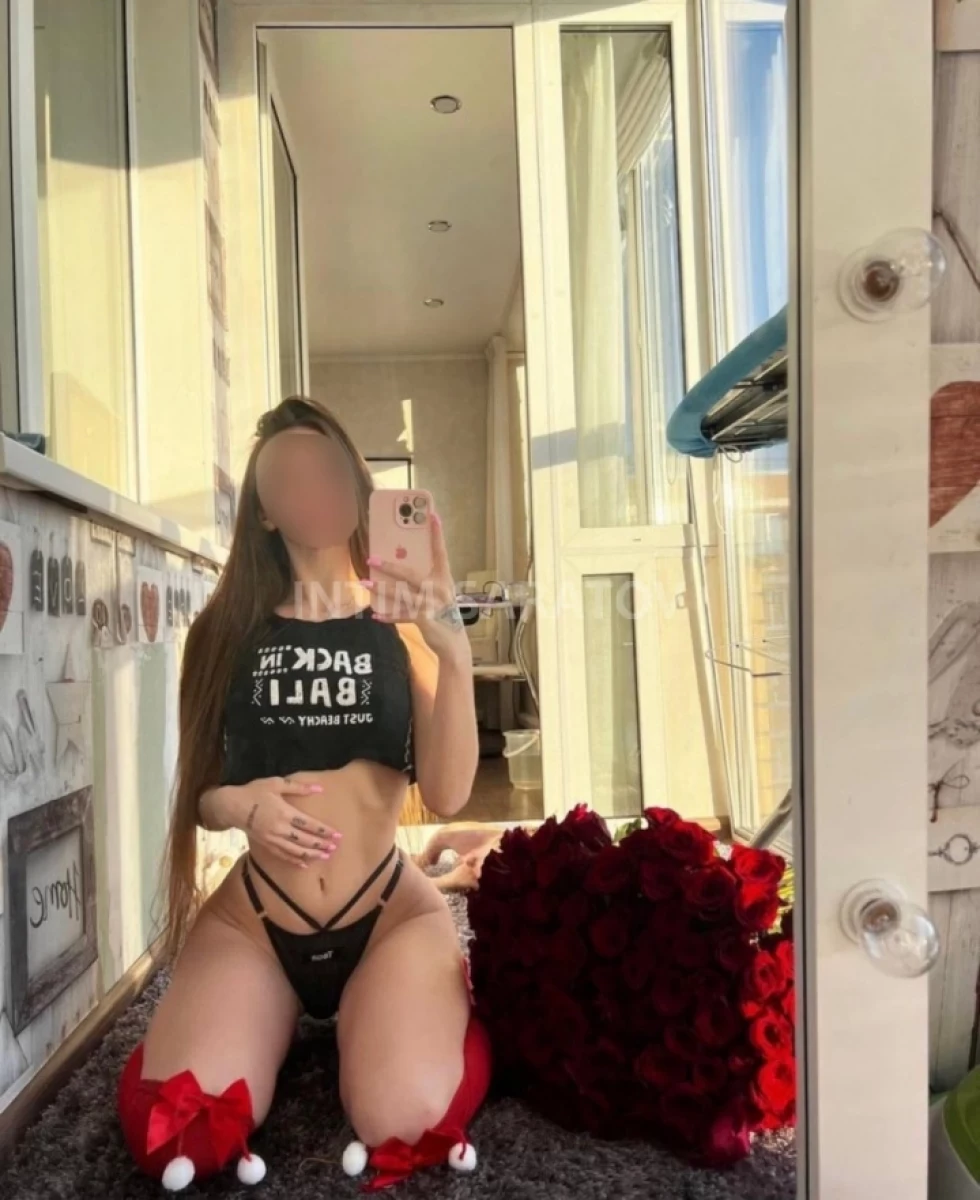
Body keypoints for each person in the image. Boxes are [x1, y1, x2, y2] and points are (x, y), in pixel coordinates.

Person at [117, 397, 492, 1192]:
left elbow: (450, 790)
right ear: (261, 511)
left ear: (359, 489)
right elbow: (202, 797)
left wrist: (452, 648)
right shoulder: (224, 632)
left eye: (327, 471)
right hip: (257, 922)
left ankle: (376, 1012)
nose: (312, 489)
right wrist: (243, 805)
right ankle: (269, 1017)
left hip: (386, 915)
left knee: (406, 1121)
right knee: (182, 1134)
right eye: (287, 477)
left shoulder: (403, 622)